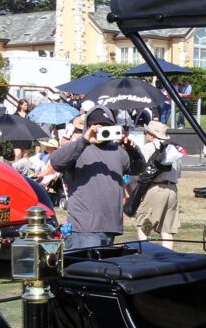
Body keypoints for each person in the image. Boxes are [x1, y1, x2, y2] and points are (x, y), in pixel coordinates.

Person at [45, 107, 145, 250]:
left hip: (110, 226)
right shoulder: (78, 148)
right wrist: (85, 140)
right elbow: (56, 161)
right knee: (86, 269)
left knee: (105, 270)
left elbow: (139, 169)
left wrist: (132, 150)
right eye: (97, 126)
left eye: (107, 126)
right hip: (85, 227)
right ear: (88, 127)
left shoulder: (118, 151)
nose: (102, 130)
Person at [130, 121, 182, 246]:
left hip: (154, 188)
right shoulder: (174, 149)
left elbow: (140, 170)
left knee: (145, 224)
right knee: (167, 228)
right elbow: (178, 173)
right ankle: (169, 257)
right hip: (172, 189)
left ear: (151, 135)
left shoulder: (148, 147)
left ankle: (145, 254)